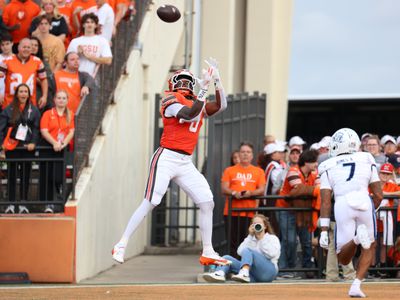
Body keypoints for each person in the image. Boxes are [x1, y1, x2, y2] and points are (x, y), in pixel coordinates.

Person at [112, 58, 230, 266]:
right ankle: (122, 243)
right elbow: (190, 115)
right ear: (173, 83)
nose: (184, 83)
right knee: (152, 201)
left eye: (187, 80)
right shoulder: (170, 99)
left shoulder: (197, 101)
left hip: (185, 161)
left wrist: (217, 80)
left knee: (207, 202)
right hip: (166, 157)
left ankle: (208, 250)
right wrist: (203, 90)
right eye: (180, 80)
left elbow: (221, 106)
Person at [319, 128, 383, 298]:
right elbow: (378, 194)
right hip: (364, 201)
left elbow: (325, 201)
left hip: (342, 203)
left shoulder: (327, 164)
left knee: (343, 259)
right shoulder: (367, 157)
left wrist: (324, 230)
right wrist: (369, 210)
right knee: (370, 245)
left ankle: (356, 238)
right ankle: (356, 284)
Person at [277, 149, 320, 279]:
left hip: (303, 210)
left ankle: (307, 269)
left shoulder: (314, 173)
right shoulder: (293, 171)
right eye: (314, 162)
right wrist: (313, 191)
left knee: (306, 241)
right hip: (286, 210)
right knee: (289, 240)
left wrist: (306, 190)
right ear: (307, 162)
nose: (316, 165)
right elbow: (299, 189)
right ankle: (286, 269)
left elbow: (315, 188)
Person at [202, 214, 280, 283]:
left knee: (248, 250)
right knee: (226, 258)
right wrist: (250, 236)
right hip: (253, 274)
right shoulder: (250, 239)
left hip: (269, 272)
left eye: (259, 223)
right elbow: (239, 251)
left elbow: (272, 254)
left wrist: (261, 239)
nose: (256, 225)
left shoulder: (272, 238)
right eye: (254, 224)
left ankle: (244, 273)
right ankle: (219, 273)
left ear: (265, 226)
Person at [0, 83, 41, 214]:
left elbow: (36, 129)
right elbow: (1, 129)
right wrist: (2, 145)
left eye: (25, 92)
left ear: (29, 95)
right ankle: (11, 204)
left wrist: (33, 143)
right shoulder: (8, 109)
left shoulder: (34, 110)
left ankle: (24, 203)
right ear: (17, 94)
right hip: (12, 148)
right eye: (21, 91)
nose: (23, 94)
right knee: (11, 175)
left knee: (25, 176)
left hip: (26, 148)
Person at [221, 142, 266, 256]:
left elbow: (261, 189)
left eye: (248, 152)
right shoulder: (229, 170)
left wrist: (250, 193)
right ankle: (232, 268)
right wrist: (234, 192)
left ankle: (245, 268)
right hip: (231, 212)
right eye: (243, 152)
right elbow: (224, 188)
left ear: (252, 155)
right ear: (239, 154)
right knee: (232, 242)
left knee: (248, 242)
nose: (245, 154)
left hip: (249, 213)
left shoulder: (259, 171)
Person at [40, 90, 74, 213]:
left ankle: (59, 199)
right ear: (54, 100)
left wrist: (63, 144)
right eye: (59, 98)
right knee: (47, 177)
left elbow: (71, 132)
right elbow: (44, 130)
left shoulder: (70, 114)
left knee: (58, 177)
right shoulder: (48, 114)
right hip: (48, 147)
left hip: (61, 149)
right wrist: (54, 143)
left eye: (64, 98)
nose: (61, 100)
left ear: (67, 100)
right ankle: (48, 204)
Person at [0, 38, 48, 109]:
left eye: (28, 47)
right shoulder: (7, 61)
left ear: (31, 49)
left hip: (30, 103)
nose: (26, 49)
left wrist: (44, 96)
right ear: (18, 48)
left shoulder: (37, 61)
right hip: (10, 103)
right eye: (24, 47)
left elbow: (43, 79)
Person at [67, 13, 112, 78]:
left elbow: (108, 60)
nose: (89, 24)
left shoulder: (102, 41)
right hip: (76, 76)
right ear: (83, 25)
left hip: (93, 77)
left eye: (92, 22)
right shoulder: (75, 41)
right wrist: (77, 53)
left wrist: (88, 56)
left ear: (96, 25)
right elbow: (67, 60)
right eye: (87, 22)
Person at [376, 163, 400, 271]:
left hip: (386, 220)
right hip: (373, 218)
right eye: (383, 173)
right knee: (372, 244)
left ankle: (382, 265)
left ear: (390, 176)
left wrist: (384, 193)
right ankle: (371, 267)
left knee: (384, 243)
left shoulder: (391, 185)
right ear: (379, 173)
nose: (385, 176)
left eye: (387, 174)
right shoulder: (373, 183)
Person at [0, 34, 14, 106]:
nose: (5, 47)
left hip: (12, 96)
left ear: (12, 43)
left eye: (7, 44)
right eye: (2, 45)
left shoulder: (17, 59)